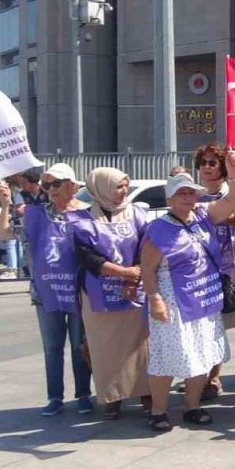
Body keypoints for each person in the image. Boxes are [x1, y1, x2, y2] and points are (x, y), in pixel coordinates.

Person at [140, 169, 235, 431]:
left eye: (191, 192)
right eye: (181, 193)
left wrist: (232, 174)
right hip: (173, 299)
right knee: (166, 356)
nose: (188, 197)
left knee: (202, 353)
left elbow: (233, 201)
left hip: (204, 298)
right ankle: (158, 410)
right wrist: (154, 299)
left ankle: (192, 406)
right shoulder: (159, 228)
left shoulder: (203, 216)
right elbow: (147, 268)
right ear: (170, 198)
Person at [0, 163, 91, 416]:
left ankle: (83, 394)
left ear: (72, 185)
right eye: (46, 185)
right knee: (52, 347)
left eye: (55, 184)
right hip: (46, 292)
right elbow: (5, 233)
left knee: (80, 345)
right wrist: (5, 205)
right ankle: (55, 397)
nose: (50, 189)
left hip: (79, 291)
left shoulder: (88, 213)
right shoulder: (35, 214)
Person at [66, 168, 152, 420]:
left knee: (140, 346)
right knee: (105, 348)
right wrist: (123, 273)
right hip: (98, 293)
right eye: (118, 186)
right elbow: (88, 258)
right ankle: (113, 397)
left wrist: (133, 278)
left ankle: (146, 392)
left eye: (126, 185)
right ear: (100, 188)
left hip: (134, 290)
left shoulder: (138, 213)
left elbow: (145, 247)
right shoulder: (80, 219)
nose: (124, 191)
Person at [193, 144, 235, 400]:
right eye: (204, 162)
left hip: (222, 269)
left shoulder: (229, 192)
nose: (208, 167)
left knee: (217, 327)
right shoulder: (191, 195)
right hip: (196, 272)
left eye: (213, 163)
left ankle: (213, 377)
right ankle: (198, 375)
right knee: (198, 327)